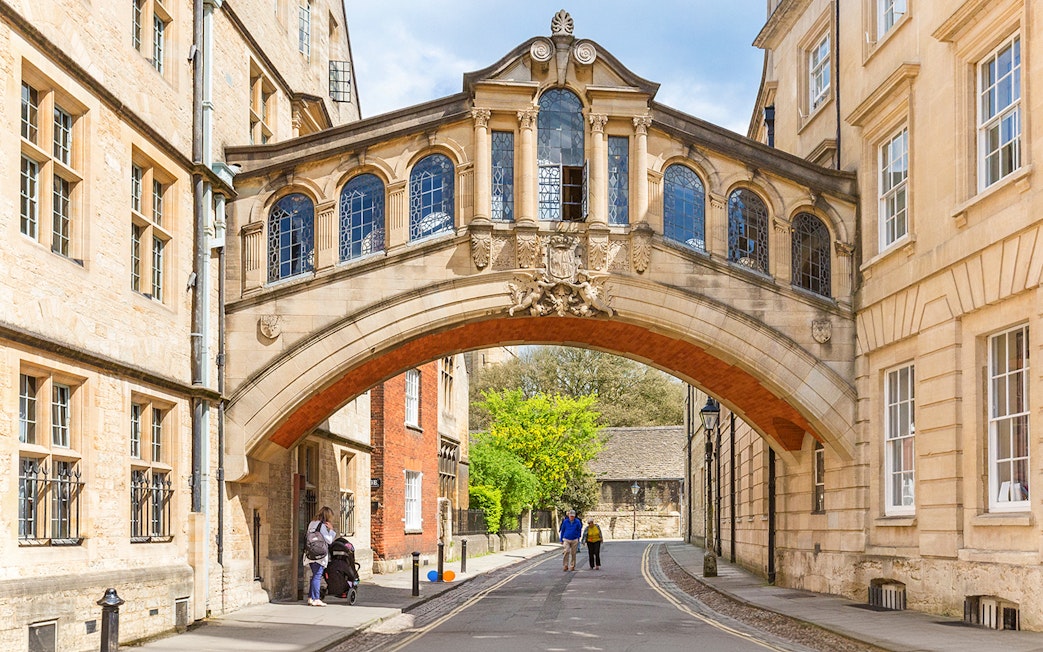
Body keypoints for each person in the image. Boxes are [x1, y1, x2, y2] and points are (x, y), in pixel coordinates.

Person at [303, 506, 336, 606]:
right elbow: (329, 540)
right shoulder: (322, 526)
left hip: (310, 553)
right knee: (317, 576)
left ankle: (310, 597)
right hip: (319, 554)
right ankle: (316, 598)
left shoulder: (312, 523)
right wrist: (331, 530)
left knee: (315, 575)